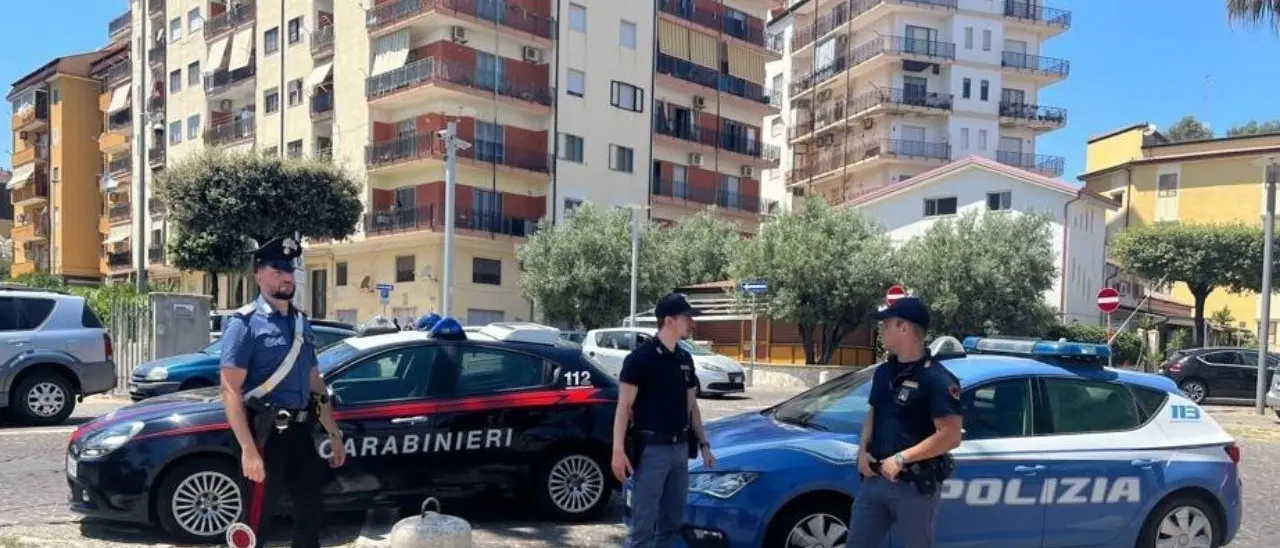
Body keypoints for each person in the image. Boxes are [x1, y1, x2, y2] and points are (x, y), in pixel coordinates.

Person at [219, 236, 347, 548]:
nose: (286, 276)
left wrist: (333, 432)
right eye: (277, 270)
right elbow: (230, 389)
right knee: (256, 520)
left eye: (290, 269)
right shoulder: (244, 324)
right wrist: (248, 449)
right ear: (258, 274)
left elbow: (314, 382)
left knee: (311, 513)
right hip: (264, 435)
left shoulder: (302, 322)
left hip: (300, 432)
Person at [848, 296, 964, 548]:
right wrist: (862, 451)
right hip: (874, 479)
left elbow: (951, 435)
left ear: (905, 328)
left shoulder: (937, 378)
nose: (881, 330)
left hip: (913, 486)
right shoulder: (883, 372)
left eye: (886, 324)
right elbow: (873, 413)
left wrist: (902, 459)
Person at [611, 293, 716, 548]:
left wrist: (704, 445)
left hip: (680, 449)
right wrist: (618, 450)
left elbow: (692, 406)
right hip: (652, 451)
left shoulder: (684, 359)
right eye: (687, 318)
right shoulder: (640, 359)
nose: (691, 323)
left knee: (672, 523)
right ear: (669, 320)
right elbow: (623, 407)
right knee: (643, 525)